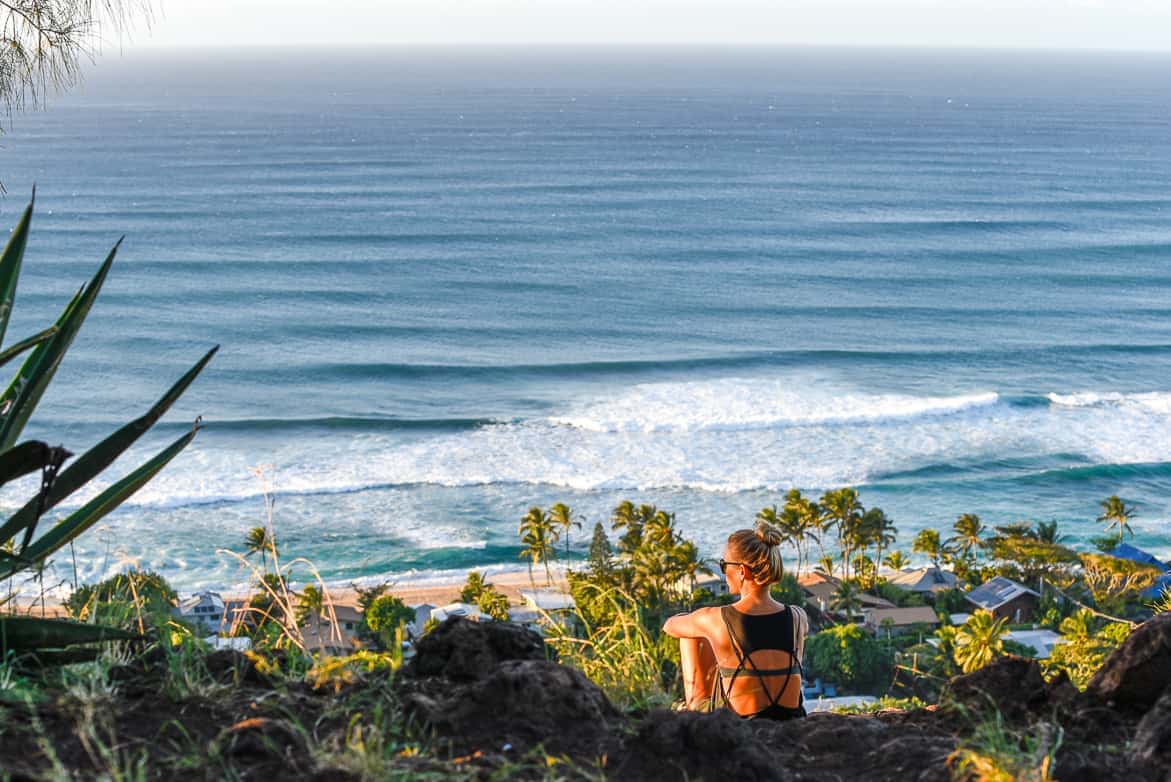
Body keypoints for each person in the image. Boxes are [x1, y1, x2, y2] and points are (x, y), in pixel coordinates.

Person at [662, 520, 809, 720]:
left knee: (691, 634)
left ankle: (693, 710)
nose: (723, 573)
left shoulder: (717, 618)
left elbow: (669, 626)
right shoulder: (798, 616)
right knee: (712, 634)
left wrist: (694, 619)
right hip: (791, 718)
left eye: (724, 566)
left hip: (739, 724)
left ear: (742, 570)